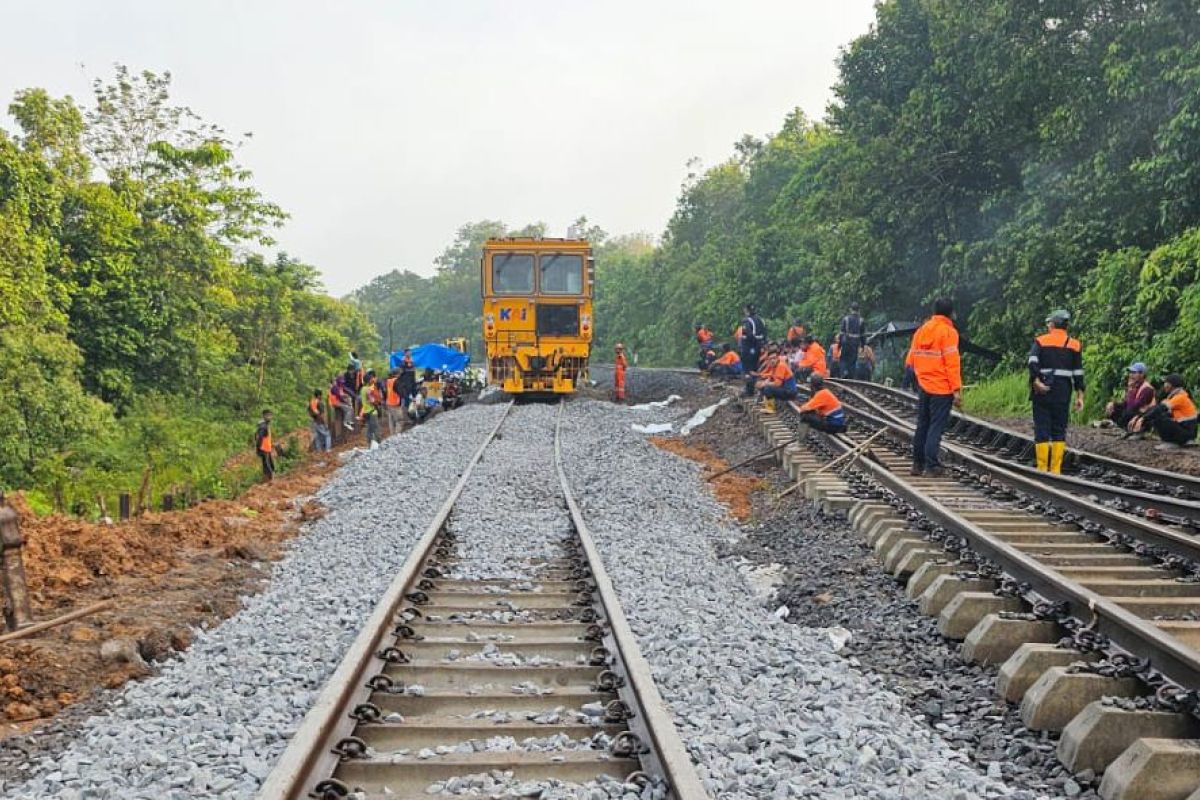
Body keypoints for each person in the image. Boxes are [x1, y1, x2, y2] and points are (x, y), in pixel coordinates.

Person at [908, 298, 962, 477]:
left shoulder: (921, 331)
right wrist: (956, 390)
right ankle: (932, 465)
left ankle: (917, 464)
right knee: (935, 426)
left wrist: (917, 378)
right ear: (951, 313)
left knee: (922, 424)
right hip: (941, 388)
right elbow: (952, 363)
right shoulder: (949, 332)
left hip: (923, 384)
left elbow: (910, 359)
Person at [1029, 309, 1084, 474]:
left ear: (1052, 324)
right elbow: (1078, 373)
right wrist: (1080, 396)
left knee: (1042, 429)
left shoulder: (1040, 341)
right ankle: (1055, 470)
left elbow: (1032, 362)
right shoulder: (1075, 344)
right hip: (1063, 393)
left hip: (1042, 392)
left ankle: (1041, 468)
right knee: (1059, 429)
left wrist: (1036, 381)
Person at [1133, 374, 1197, 449]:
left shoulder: (1180, 398)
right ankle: (1140, 432)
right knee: (1156, 413)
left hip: (1187, 433)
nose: (1164, 385)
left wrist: (1143, 419)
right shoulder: (1174, 396)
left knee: (1159, 417)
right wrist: (1139, 417)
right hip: (1185, 430)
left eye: (1166, 383)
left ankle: (1172, 442)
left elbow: (1160, 409)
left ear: (1171, 385)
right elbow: (1155, 407)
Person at [1103, 362, 1155, 432]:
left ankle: (1121, 425)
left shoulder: (1147, 389)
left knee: (1128, 412)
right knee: (1114, 407)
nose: (1131, 375)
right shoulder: (1136, 386)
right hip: (1133, 412)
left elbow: (1134, 406)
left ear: (1142, 374)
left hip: (1142, 416)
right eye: (1130, 373)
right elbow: (1126, 403)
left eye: (1134, 373)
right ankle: (1119, 425)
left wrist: (1131, 390)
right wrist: (1113, 404)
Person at [755, 346, 797, 413]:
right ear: (768, 360)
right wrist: (763, 382)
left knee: (767, 388)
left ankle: (770, 408)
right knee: (762, 385)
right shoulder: (774, 366)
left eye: (774, 358)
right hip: (785, 389)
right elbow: (770, 377)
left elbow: (778, 383)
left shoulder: (781, 365)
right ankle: (767, 401)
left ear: (777, 358)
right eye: (770, 359)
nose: (772, 360)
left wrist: (764, 383)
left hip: (790, 392)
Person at [738, 304, 767, 395]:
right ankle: (754, 388)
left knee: (748, 370)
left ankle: (749, 391)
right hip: (757, 347)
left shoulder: (747, 321)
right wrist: (759, 343)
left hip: (748, 348)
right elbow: (765, 335)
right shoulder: (761, 320)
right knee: (755, 368)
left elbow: (749, 335)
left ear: (747, 311)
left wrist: (751, 343)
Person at [838, 303, 864, 378]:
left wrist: (839, 345)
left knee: (843, 359)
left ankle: (844, 373)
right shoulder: (861, 320)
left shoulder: (846, 319)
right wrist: (862, 345)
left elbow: (841, 333)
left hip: (846, 342)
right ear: (859, 310)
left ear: (851, 309)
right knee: (853, 361)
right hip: (855, 343)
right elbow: (863, 335)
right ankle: (851, 377)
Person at [359, 369, 382, 445]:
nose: (372, 380)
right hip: (372, 412)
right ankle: (379, 443)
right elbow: (372, 401)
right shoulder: (368, 390)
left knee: (369, 429)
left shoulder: (362, 389)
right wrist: (377, 405)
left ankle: (369, 444)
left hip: (366, 412)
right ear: (368, 381)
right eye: (371, 379)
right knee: (376, 428)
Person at [255, 410, 276, 482]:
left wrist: (271, 444)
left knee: (268, 463)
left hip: (267, 448)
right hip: (264, 448)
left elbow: (264, 437)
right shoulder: (263, 426)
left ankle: (267, 478)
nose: (269, 417)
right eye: (267, 415)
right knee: (267, 464)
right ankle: (270, 479)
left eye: (270, 415)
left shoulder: (266, 425)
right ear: (263, 416)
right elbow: (259, 438)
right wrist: (258, 448)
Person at [384, 370, 406, 435]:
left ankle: (392, 435)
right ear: (397, 374)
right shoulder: (397, 381)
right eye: (400, 374)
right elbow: (401, 393)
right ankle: (396, 436)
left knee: (391, 421)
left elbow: (386, 392)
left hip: (388, 403)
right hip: (395, 404)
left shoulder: (388, 381)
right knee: (400, 420)